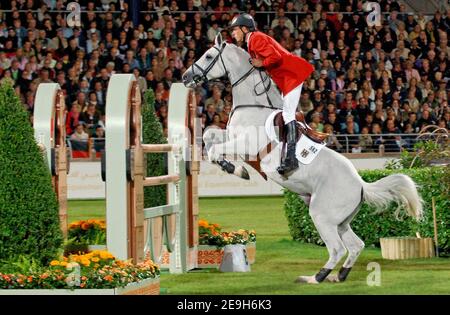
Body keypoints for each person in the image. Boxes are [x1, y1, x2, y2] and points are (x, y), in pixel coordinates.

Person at [229, 13, 314, 175]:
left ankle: (292, 158)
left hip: (292, 75)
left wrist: (261, 63)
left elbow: (274, 56)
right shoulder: (251, 41)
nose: (233, 33)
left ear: (245, 29)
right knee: (285, 113)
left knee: (288, 115)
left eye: (235, 30)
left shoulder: (254, 39)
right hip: (288, 77)